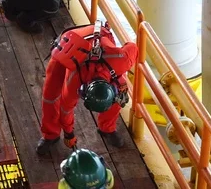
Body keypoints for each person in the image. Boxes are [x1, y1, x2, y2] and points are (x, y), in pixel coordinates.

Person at [37, 20, 138, 155]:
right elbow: (65, 108)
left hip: (101, 37)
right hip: (68, 47)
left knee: (121, 91)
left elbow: (133, 47)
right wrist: (69, 133)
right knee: (51, 94)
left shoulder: (122, 60)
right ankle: (50, 135)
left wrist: (115, 50)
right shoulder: (74, 78)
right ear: (83, 90)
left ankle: (107, 129)